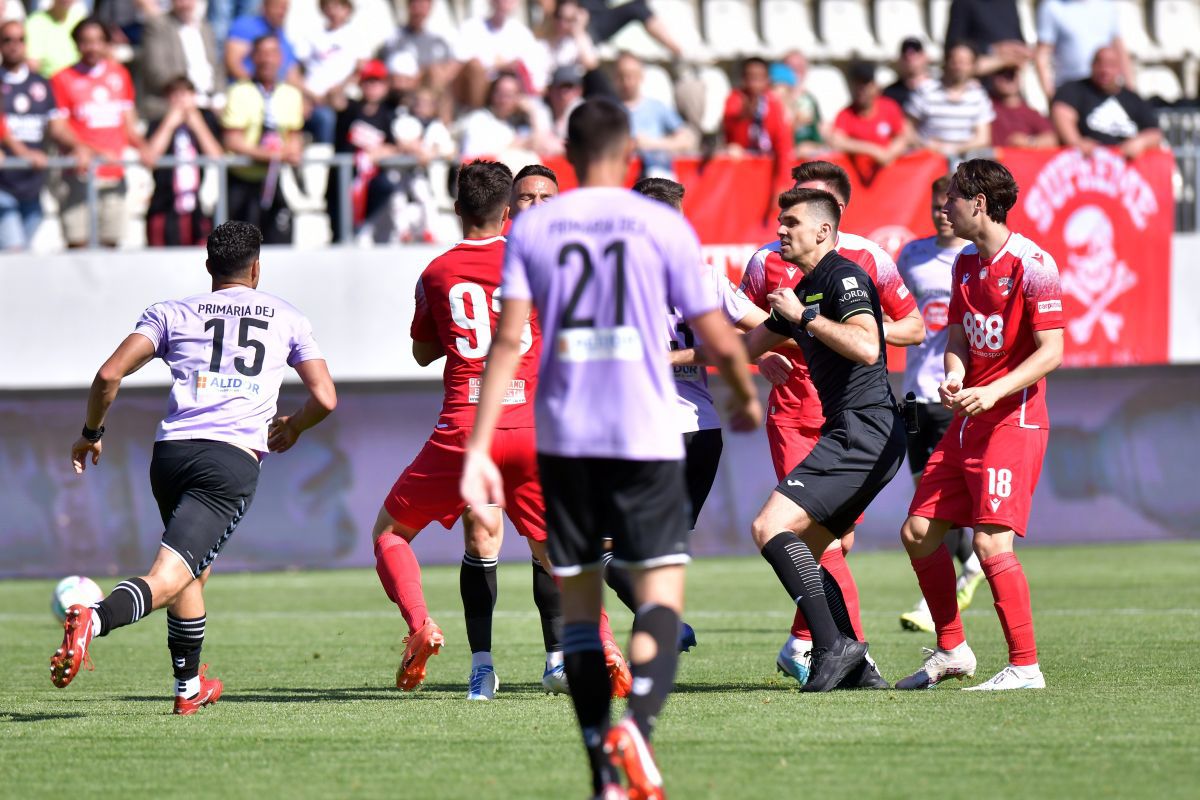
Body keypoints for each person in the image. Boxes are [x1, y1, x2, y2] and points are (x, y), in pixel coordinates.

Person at [461, 98, 759, 799]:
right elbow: (717, 330)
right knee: (660, 596)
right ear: (629, 154)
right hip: (647, 432)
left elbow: (507, 342)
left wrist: (477, 446)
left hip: (565, 436)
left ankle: (601, 765)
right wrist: (745, 391)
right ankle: (639, 730)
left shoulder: (534, 229)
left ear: (567, 153)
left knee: (580, 604)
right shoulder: (661, 224)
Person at [48, 220, 337, 713]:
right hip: (228, 462)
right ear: (257, 268)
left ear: (208, 266)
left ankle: (187, 689)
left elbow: (108, 374)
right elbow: (325, 398)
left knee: (191, 571)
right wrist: (294, 426)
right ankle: (92, 620)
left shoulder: (171, 312)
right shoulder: (288, 317)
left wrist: (91, 433)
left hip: (171, 456)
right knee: (168, 576)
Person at [372, 160, 631, 700]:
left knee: (390, 534)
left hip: (466, 428)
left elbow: (422, 352)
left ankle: (420, 625)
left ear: (457, 209)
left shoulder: (436, 273)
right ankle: (603, 644)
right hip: (531, 426)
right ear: (508, 211)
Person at [739, 160, 924, 687]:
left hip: (863, 430)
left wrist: (804, 318)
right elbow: (738, 350)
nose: (780, 230)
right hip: (859, 432)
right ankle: (857, 668)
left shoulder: (843, 276)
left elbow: (868, 347)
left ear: (823, 230)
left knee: (770, 527)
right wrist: (665, 358)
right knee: (819, 548)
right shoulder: (804, 288)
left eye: (791, 222)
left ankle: (833, 645)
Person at [896, 158, 1065, 691]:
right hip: (968, 418)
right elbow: (958, 337)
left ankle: (1025, 667)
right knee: (918, 532)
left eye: (953, 197)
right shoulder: (965, 262)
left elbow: (1052, 351)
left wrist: (992, 390)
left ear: (979, 203)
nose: (944, 206)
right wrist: (954, 375)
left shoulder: (1034, 264)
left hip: (1014, 420)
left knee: (991, 545)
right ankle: (952, 650)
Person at [894, 175, 983, 633]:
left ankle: (936, 606)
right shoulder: (911, 255)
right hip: (915, 393)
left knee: (936, 506)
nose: (941, 213)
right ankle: (972, 565)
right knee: (926, 498)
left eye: (948, 205)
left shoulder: (974, 257)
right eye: (935, 206)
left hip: (954, 392)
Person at [51, 16, 148, 249]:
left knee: (110, 244)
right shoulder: (62, 78)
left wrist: (144, 147)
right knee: (77, 243)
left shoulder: (120, 74)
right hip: (79, 173)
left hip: (114, 172)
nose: (92, 47)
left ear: (106, 44)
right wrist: (84, 149)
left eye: (97, 41)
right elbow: (58, 127)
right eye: (86, 41)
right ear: (77, 44)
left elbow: (128, 123)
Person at [0, 18, 79, 251]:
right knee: (14, 249)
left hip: (32, 186)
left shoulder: (42, 84)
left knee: (20, 255)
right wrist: (23, 153)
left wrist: (79, 147)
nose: (14, 45)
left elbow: (56, 127)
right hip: (3, 185)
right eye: (7, 40)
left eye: (20, 40)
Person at [221, 34, 303, 244]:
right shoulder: (239, 92)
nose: (267, 59)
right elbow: (232, 141)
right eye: (262, 53)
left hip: (273, 180)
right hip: (242, 181)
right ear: (253, 58)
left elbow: (294, 137)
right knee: (239, 249)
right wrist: (270, 155)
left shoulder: (291, 94)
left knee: (280, 240)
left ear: (280, 57)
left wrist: (290, 151)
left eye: (272, 53)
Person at [143, 76, 224, 247]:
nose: (181, 100)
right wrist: (169, 125)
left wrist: (197, 124)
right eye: (175, 95)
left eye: (185, 94)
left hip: (197, 207)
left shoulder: (206, 120)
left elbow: (217, 156)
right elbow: (150, 157)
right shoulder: (158, 123)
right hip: (164, 204)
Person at [1050, 46, 1162, 160]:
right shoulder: (1074, 90)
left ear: (1119, 68)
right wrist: (1076, 142)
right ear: (1092, 65)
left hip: (1127, 163)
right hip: (1087, 161)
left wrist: (1141, 142)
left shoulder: (1133, 99)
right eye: (1100, 63)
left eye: (1111, 65)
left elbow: (1154, 133)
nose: (1105, 70)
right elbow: (1062, 112)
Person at [293, 0, 365, 146]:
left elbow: (361, 69)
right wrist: (307, 95)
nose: (333, 11)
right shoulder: (312, 35)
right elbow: (296, 69)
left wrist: (340, 89)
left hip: (344, 98)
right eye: (329, 6)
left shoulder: (356, 36)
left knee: (329, 118)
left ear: (347, 9)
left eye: (338, 7)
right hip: (313, 99)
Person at [138, 0, 224, 120]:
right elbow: (156, 71)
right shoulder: (158, 25)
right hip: (172, 102)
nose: (185, 4)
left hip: (209, 103)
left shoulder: (205, 27)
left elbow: (216, 67)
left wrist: (219, 95)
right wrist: (188, 94)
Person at [906, 43, 994, 159]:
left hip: (965, 160)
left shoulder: (979, 96)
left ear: (973, 66)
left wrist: (952, 149)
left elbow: (983, 138)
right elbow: (907, 128)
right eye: (955, 61)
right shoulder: (925, 91)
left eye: (964, 62)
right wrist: (926, 145)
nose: (959, 67)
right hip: (928, 159)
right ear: (946, 62)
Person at [829, 61, 912, 183]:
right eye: (857, 84)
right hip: (857, 182)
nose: (861, 89)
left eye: (865, 83)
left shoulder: (889, 107)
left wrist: (889, 154)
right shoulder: (845, 114)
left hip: (890, 181)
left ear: (874, 85)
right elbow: (837, 141)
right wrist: (872, 150)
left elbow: (903, 136)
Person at [453, 0, 546, 109]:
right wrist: (499, 66)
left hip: (511, 93)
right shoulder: (472, 28)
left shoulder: (523, 34)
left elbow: (534, 74)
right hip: (478, 95)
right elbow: (462, 66)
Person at [614, 51, 692, 179]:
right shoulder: (609, 109)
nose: (627, 82)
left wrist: (652, 144)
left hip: (653, 175)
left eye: (631, 75)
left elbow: (686, 140)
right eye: (622, 76)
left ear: (641, 76)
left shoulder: (657, 107)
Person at [1035, 0, 1132, 102]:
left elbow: (1119, 50)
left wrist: (1130, 90)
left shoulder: (1108, 5)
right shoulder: (1051, 7)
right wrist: (1051, 96)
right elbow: (1042, 55)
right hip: (1070, 92)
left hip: (1105, 89)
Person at [457, 71, 549, 159]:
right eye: (499, 93)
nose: (503, 100)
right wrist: (514, 147)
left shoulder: (521, 124)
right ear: (492, 94)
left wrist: (533, 113)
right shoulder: (479, 120)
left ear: (518, 98)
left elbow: (542, 146)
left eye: (509, 95)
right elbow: (472, 157)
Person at [723, 56, 792, 160]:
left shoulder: (773, 102)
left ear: (767, 79)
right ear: (744, 79)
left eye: (759, 78)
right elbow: (730, 128)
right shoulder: (735, 99)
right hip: (742, 158)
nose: (755, 83)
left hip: (768, 159)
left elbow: (782, 139)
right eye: (751, 77)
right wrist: (745, 116)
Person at [383, 0, 455, 98]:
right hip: (406, 91)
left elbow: (451, 65)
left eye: (423, 6)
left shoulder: (438, 39)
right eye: (416, 4)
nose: (419, 11)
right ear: (409, 6)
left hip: (434, 92)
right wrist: (425, 73)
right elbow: (395, 74)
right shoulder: (396, 37)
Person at [944, 0, 1029, 76]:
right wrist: (991, 49)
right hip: (980, 77)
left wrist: (1020, 51)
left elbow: (1019, 38)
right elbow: (953, 46)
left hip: (1012, 74)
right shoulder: (963, 3)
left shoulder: (1009, 2)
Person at [224, 0, 299, 84]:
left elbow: (293, 77)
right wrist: (256, 87)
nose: (281, 12)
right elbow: (232, 63)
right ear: (264, 7)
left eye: (284, 8)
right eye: (277, 7)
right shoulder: (245, 27)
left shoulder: (285, 40)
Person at [989, 66, 1057, 149]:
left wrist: (1029, 141)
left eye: (1011, 74)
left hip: (1016, 157)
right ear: (992, 78)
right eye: (1001, 74)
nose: (1008, 79)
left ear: (1019, 77)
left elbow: (1052, 139)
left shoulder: (1030, 113)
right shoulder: (986, 105)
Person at [772, 53, 823, 159]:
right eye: (792, 67)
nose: (797, 71)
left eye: (800, 66)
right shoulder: (772, 102)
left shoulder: (809, 99)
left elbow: (818, 136)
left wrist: (814, 147)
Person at [25, 0, 84, 78]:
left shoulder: (81, 19)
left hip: (80, 79)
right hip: (49, 80)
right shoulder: (35, 22)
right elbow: (32, 64)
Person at [884, 37, 933, 112]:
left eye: (915, 52)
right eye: (905, 53)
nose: (909, 56)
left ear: (925, 57)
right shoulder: (890, 94)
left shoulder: (938, 90)